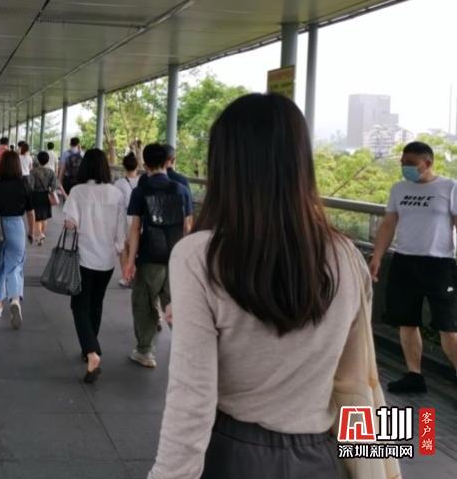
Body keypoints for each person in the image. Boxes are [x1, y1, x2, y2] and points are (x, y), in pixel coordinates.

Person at [149, 93, 372, 478]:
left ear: (225, 165)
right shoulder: (347, 257)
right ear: (301, 163)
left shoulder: (198, 256)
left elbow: (192, 399)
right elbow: (358, 380)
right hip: (320, 457)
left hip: (234, 455)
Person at [370, 141, 457, 393]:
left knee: (448, 326)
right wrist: (377, 256)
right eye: (403, 163)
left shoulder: (449, 187)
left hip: (440, 264)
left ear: (427, 163)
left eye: (411, 163)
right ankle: (414, 376)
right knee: (407, 322)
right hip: (405, 261)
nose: (405, 167)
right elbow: (389, 223)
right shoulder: (399, 189)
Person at [123, 143, 193, 368]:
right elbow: (188, 227)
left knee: (144, 303)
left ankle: (145, 351)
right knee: (174, 303)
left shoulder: (140, 190)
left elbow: (135, 229)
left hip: (149, 256)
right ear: (168, 162)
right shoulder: (181, 189)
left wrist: (130, 262)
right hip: (175, 255)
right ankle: (189, 352)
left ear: (145, 165)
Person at [63, 149, 126, 384]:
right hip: (107, 260)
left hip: (84, 258)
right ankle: (90, 348)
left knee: (79, 306)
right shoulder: (116, 193)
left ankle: (91, 352)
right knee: (96, 303)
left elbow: (70, 224)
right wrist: (118, 250)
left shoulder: (78, 191)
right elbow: (121, 232)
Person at [0, 150, 36, 329]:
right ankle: (14, 299)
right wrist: (32, 232)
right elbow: (31, 213)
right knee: (15, 265)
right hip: (17, 227)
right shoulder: (25, 185)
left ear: (1, 166)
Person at [114, 152, 141, 288]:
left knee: (124, 247)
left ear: (124, 166)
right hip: (140, 217)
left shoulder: (119, 183)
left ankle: (126, 277)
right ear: (137, 165)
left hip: (124, 217)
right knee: (136, 247)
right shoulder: (143, 181)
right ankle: (135, 275)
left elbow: (115, 203)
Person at [28, 151, 58, 245]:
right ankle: (42, 234)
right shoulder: (51, 172)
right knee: (44, 216)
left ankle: (40, 235)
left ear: (38, 159)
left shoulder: (33, 171)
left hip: (35, 195)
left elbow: (30, 186)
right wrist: (49, 190)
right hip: (46, 196)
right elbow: (54, 186)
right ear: (47, 160)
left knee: (37, 217)